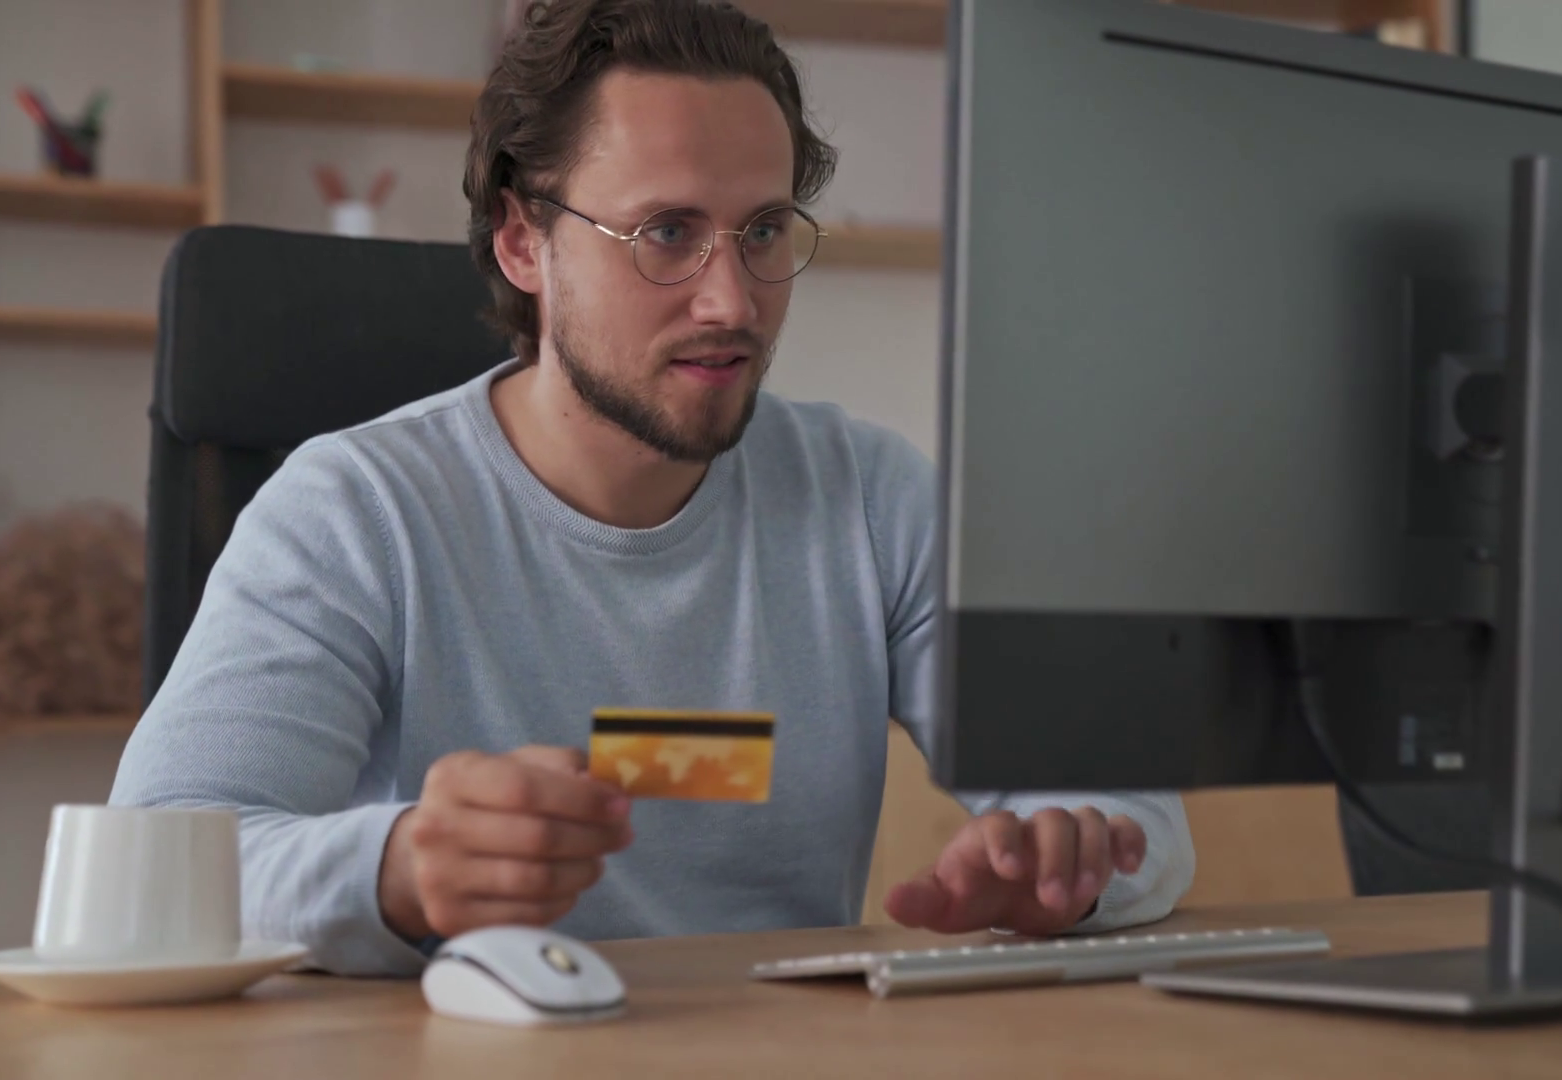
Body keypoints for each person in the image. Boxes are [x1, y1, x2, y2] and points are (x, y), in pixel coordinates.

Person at [110, 0, 1194, 977]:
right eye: (666, 233)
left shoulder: (871, 501)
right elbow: (154, 864)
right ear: (523, 241)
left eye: (762, 231)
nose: (733, 301)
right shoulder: (354, 511)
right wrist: (395, 869)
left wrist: (1071, 864)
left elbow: (1136, 810)